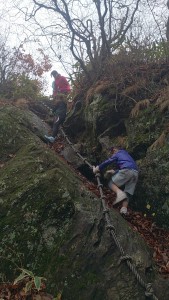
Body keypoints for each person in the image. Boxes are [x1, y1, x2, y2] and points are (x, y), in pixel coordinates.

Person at [93, 145, 138, 215]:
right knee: (127, 192)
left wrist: (98, 168)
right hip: (135, 173)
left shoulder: (118, 153)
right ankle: (124, 209)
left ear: (114, 150)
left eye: (112, 153)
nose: (112, 154)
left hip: (127, 170)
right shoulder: (126, 154)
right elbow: (127, 165)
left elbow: (108, 161)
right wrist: (115, 171)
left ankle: (120, 193)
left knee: (111, 183)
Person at [45, 70, 71, 143]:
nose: (54, 76)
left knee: (56, 122)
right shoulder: (55, 82)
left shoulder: (62, 78)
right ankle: (53, 137)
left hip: (63, 93)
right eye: (53, 75)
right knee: (56, 122)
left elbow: (68, 86)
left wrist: (63, 91)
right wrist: (54, 95)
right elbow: (55, 90)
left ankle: (53, 138)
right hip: (59, 100)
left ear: (56, 73)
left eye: (54, 74)